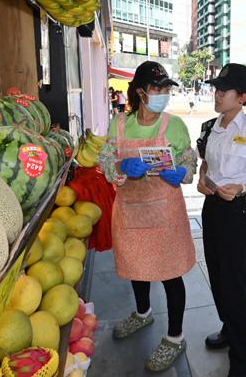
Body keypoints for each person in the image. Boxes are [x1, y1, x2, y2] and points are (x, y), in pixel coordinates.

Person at [96, 60, 198, 372]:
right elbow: (105, 159)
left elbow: (189, 157)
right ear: (140, 92)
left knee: (170, 273)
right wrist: (121, 167)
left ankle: (175, 336)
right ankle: (142, 313)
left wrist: (183, 171)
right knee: (136, 267)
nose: (163, 95)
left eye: (167, 89)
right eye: (157, 89)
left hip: (165, 212)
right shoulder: (120, 124)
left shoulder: (174, 125)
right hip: (131, 211)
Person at [196, 63, 246, 377]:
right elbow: (206, 163)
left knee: (236, 283)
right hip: (212, 208)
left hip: (238, 213)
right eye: (215, 88)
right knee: (217, 276)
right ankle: (229, 329)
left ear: (242, 97)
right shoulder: (209, 127)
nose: (217, 94)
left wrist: (241, 187)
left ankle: (243, 357)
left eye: (223, 90)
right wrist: (203, 179)